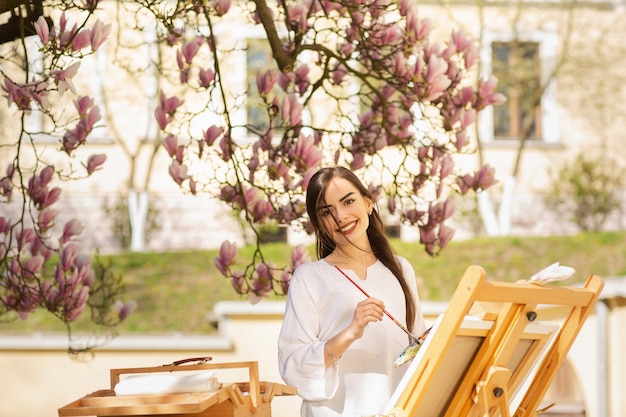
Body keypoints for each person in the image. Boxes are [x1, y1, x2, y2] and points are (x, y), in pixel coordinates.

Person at [278, 166, 428, 417]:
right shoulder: (309, 278)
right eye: (327, 212)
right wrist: (351, 332)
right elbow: (291, 363)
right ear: (320, 225)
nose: (341, 216)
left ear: (368, 202)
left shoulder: (401, 269)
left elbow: (418, 346)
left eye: (348, 201)